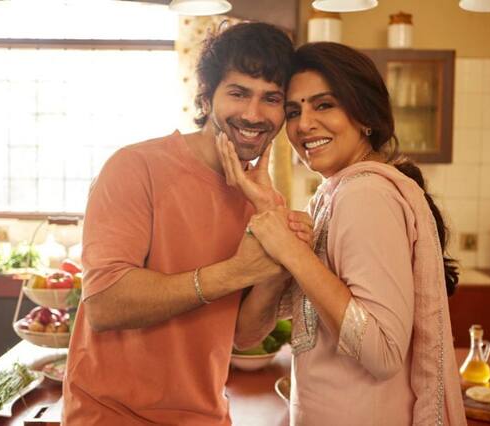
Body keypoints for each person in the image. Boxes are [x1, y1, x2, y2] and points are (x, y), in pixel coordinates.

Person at [62, 22, 310, 425]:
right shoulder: (135, 167)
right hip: (109, 415)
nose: (253, 114)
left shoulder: (262, 201)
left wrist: (274, 256)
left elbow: (245, 336)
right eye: (238, 93)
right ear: (207, 97)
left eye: (271, 98)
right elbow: (105, 305)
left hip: (205, 415)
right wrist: (236, 272)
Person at [217, 42, 467, 425]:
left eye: (324, 105)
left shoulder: (365, 194)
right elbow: (247, 335)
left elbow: (382, 354)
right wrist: (271, 212)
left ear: (364, 113)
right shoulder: (330, 197)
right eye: (293, 111)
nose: (304, 124)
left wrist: (294, 254)